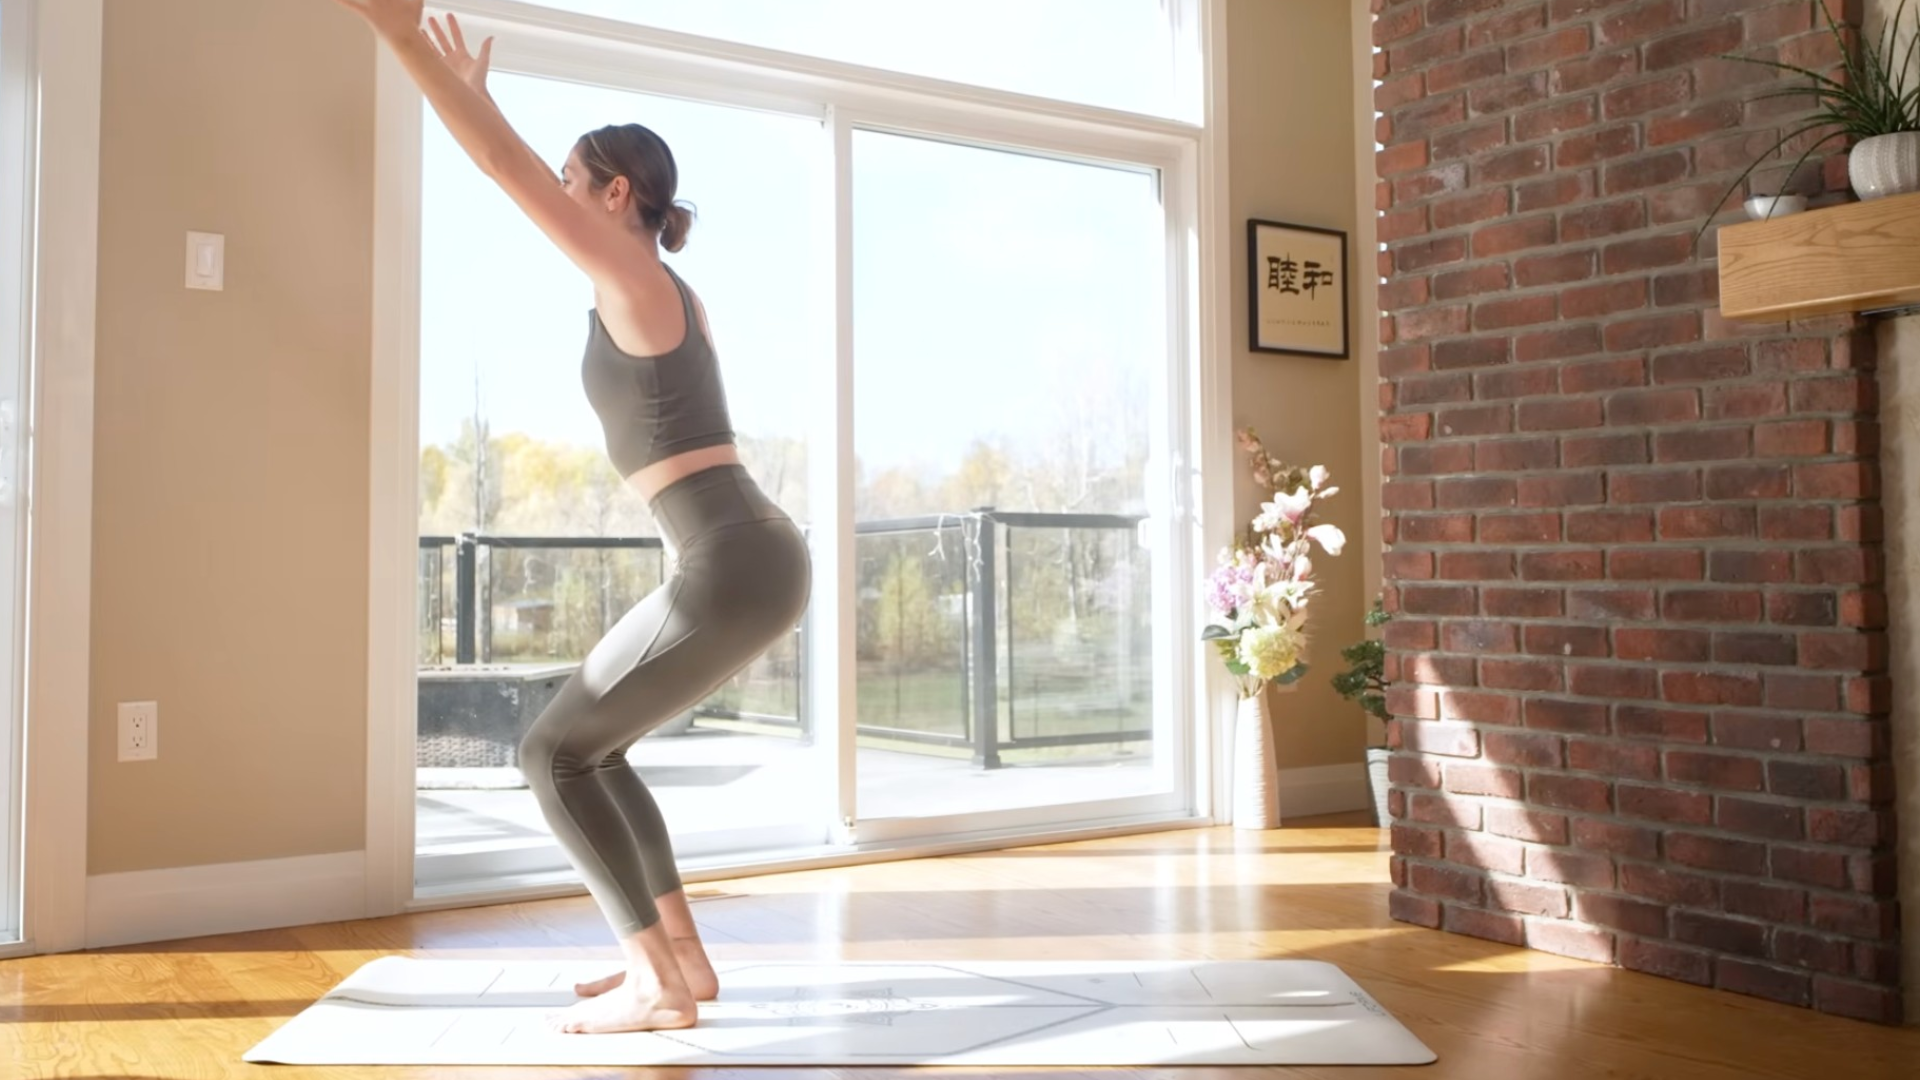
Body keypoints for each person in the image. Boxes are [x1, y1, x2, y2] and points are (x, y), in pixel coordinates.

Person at [329, 0, 813, 1034]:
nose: (558, 198)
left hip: (729, 556)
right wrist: (474, 99)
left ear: (616, 193)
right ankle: (681, 960)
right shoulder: (656, 280)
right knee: (597, 748)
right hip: (742, 549)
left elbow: (502, 170)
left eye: (571, 183)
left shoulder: (633, 274)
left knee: (548, 754)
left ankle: (656, 987)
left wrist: (404, 38)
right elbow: (511, 162)